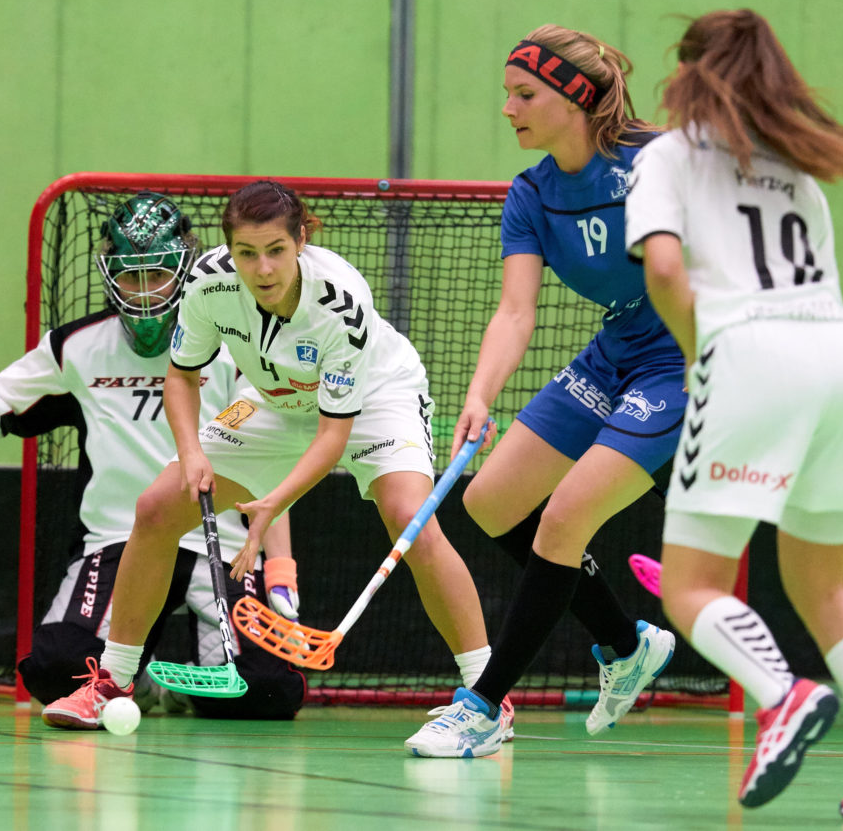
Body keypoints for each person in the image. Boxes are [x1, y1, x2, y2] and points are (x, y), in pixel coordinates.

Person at [42, 179, 512, 743]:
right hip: (273, 399)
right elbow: (182, 375)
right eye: (246, 253)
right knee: (157, 508)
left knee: (409, 518)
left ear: (301, 241)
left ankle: (488, 694)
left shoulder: (340, 302)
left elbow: (334, 434)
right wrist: (191, 454)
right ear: (228, 250)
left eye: (275, 251)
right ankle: (112, 682)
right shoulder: (208, 282)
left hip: (374, 400)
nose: (262, 269)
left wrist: (275, 503)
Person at [627, 9, 843, 821]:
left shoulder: (669, 155)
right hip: (841, 359)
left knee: (689, 585)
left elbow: (663, 268)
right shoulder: (798, 168)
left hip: (750, 354)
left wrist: (699, 351)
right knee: (823, 586)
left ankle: (780, 694)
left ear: (688, 71)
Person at [0, 191, 305, 721]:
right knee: (53, 668)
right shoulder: (78, 346)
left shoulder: (237, 343)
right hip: (118, 541)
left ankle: (181, 684)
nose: (144, 292)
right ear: (109, 275)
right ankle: (131, 678)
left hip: (222, 543)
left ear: (185, 270)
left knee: (268, 691)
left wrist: (279, 563)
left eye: (157, 275)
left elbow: (271, 453)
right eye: (130, 276)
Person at [404, 24, 682, 759]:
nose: (509, 109)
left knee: (562, 521)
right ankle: (626, 644)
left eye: (524, 94)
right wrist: (479, 394)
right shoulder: (531, 194)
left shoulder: (658, 163)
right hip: (617, 349)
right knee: (490, 500)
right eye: (507, 94)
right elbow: (515, 311)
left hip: (682, 360)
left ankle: (482, 706)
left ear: (577, 99)